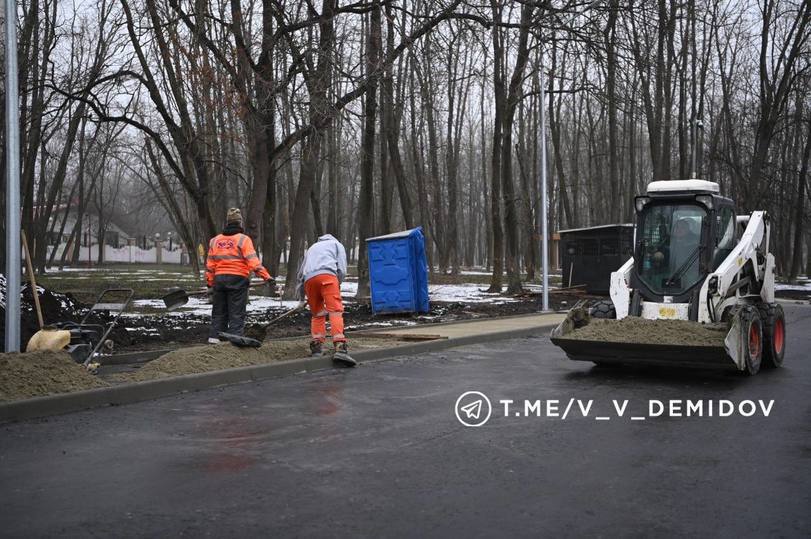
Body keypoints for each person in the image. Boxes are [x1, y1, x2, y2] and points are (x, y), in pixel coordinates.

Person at [205, 208, 273, 343]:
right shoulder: (243, 240)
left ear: (228, 222)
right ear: (240, 223)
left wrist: (210, 283)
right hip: (237, 279)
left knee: (218, 312)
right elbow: (253, 262)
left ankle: (214, 340)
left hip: (219, 280)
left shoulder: (215, 241)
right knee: (236, 313)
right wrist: (267, 277)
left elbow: (210, 265)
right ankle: (234, 341)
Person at [296, 234, 355, 367]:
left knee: (317, 314)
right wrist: (337, 283)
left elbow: (300, 274)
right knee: (335, 311)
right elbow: (342, 269)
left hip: (309, 280)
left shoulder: (312, 248)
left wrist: (301, 298)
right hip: (328, 276)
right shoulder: (336, 245)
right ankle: (340, 346)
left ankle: (317, 346)